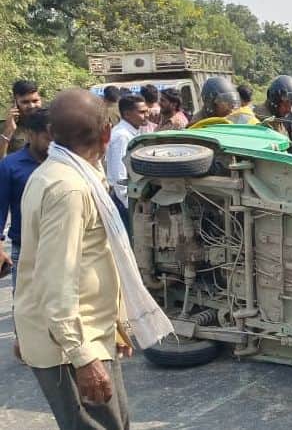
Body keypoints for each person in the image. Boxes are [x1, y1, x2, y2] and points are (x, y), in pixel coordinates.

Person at [16, 89, 172, 430]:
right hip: (71, 343)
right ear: (106, 134)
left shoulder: (66, 175)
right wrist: (83, 357)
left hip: (83, 333)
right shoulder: (69, 189)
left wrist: (116, 324)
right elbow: (56, 280)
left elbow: (89, 261)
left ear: (52, 133)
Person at [0, 109, 51, 289]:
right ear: (31, 135)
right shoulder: (10, 166)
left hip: (61, 246)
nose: (54, 144)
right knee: (25, 301)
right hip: (24, 249)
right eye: (48, 138)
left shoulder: (65, 163)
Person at [106, 94, 148, 206]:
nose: (147, 115)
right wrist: (127, 203)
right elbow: (119, 172)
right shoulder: (122, 136)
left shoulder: (134, 131)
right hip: (123, 197)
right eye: (142, 112)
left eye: (146, 111)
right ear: (127, 114)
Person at [1, 80, 43, 159]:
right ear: (15, 103)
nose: (31, 106)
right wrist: (8, 131)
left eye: (35, 101)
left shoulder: (50, 123)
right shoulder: (5, 127)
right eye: (25, 102)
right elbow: (2, 161)